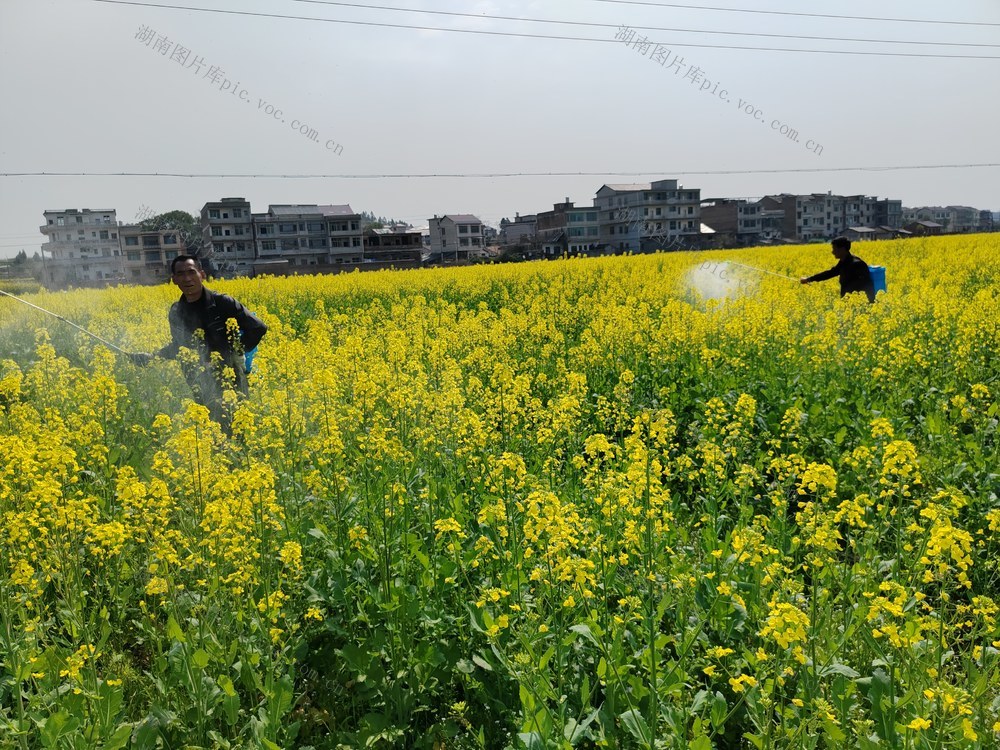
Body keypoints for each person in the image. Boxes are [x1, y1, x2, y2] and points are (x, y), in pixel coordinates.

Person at [132, 255, 267, 427]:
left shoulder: (223, 303)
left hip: (231, 380)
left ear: (202, 275)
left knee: (236, 429)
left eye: (191, 272)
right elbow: (180, 347)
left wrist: (234, 354)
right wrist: (152, 357)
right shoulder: (176, 311)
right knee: (212, 432)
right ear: (174, 280)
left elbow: (257, 328)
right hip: (200, 382)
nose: (187, 278)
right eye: (180, 274)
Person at [800, 236, 876, 303]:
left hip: (860, 303)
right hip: (850, 302)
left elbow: (865, 285)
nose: (832, 252)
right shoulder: (844, 262)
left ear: (842, 249)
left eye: (834, 249)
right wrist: (809, 279)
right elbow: (830, 273)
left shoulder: (857, 264)